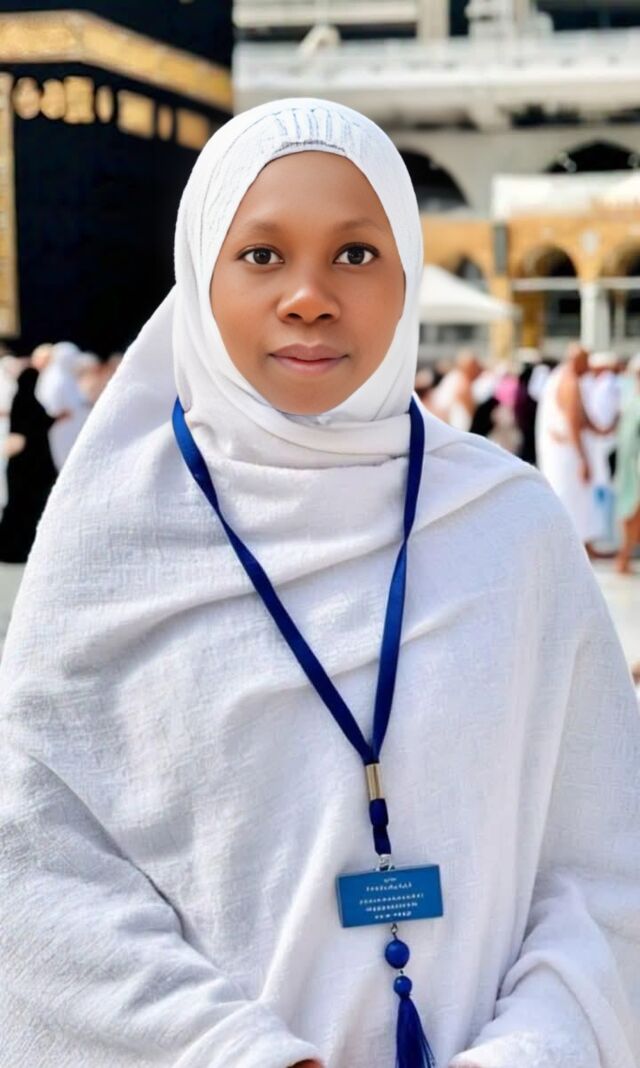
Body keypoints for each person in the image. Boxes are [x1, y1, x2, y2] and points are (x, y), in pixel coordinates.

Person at [0, 99, 638, 1068]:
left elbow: (603, 859)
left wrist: (531, 1050)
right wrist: (240, 1053)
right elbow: (36, 862)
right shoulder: (115, 538)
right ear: (200, 276)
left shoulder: (511, 530)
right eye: (261, 255)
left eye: (355, 254)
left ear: (407, 271)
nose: (308, 296)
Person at [536, 342, 607, 552]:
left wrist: (601, 429)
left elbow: (582, 417)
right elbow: (573, 423)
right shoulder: (570, 382)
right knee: (572, 496)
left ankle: (582, 545)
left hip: (561, 450)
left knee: (572, 496)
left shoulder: (560, 378)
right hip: (567, 453)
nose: (589, 366)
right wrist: (583, 459)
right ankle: (577, 548)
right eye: (586, 361)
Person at [0, 352, 57, 563]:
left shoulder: (23, 400)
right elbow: (33, 427)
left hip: (24, 466)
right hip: (29, 468)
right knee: (25, 507)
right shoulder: (27, 402)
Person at [34, 340, 94, 471]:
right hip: (64, 427)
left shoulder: (67, 376)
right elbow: (51, 405)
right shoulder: (54, 377)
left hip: (75, 424)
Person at [614, 353, 640, 574]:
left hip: (630, 463)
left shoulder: (630, 397)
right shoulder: (631, 398)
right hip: (633, 464)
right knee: (632, 509)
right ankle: (623, 557)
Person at [429, 347, 483, 430]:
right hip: (452, 425)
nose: (477, 369)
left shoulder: (456, 377)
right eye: (474, 366)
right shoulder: (460, 379)